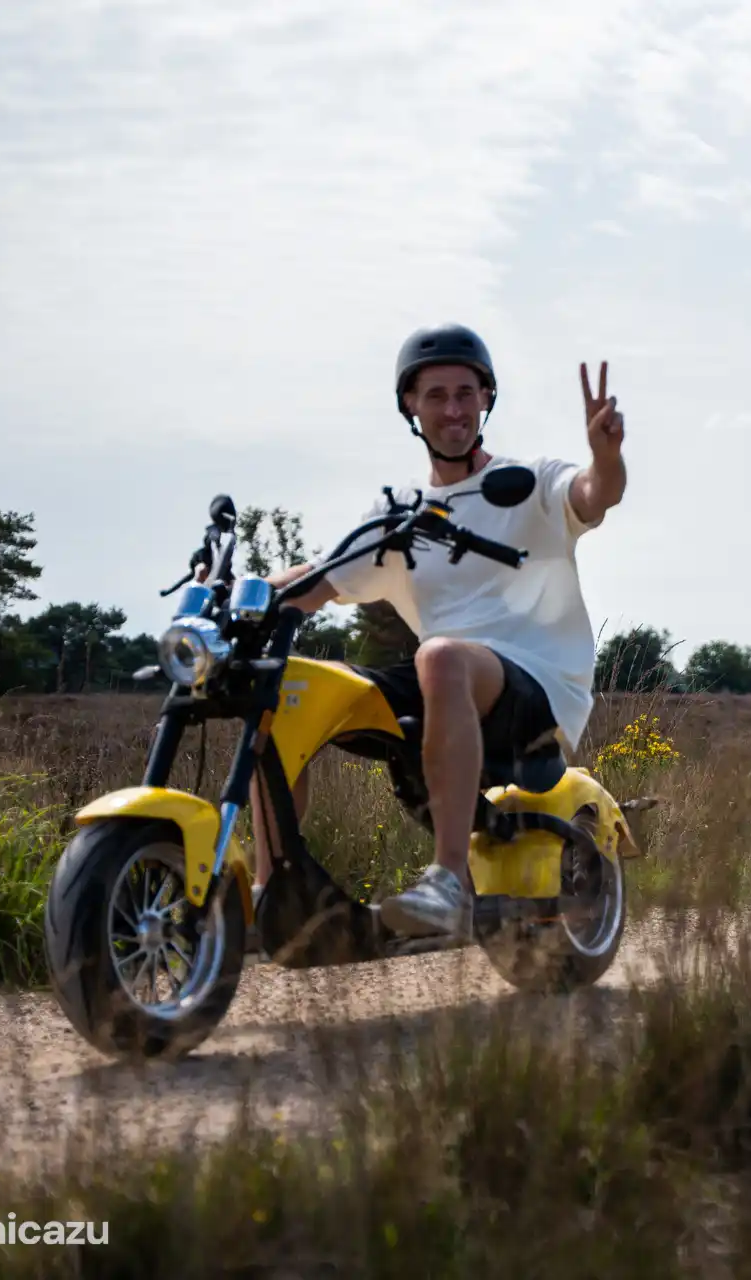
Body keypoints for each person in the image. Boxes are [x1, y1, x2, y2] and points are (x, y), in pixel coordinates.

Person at [257, 323, 628, 939]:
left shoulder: (529, 482)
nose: (453, 409)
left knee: (439, 656)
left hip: (537, 688)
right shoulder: (400, 511)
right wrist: (240, 595)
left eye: (465, 393)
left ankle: (449, 881)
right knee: (288, 686)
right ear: (410, 405)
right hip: (444, 683)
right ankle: (273, 892)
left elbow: (594, 496)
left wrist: (606, 456)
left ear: (486, 398)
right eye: (436, 395)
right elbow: (319, 579)